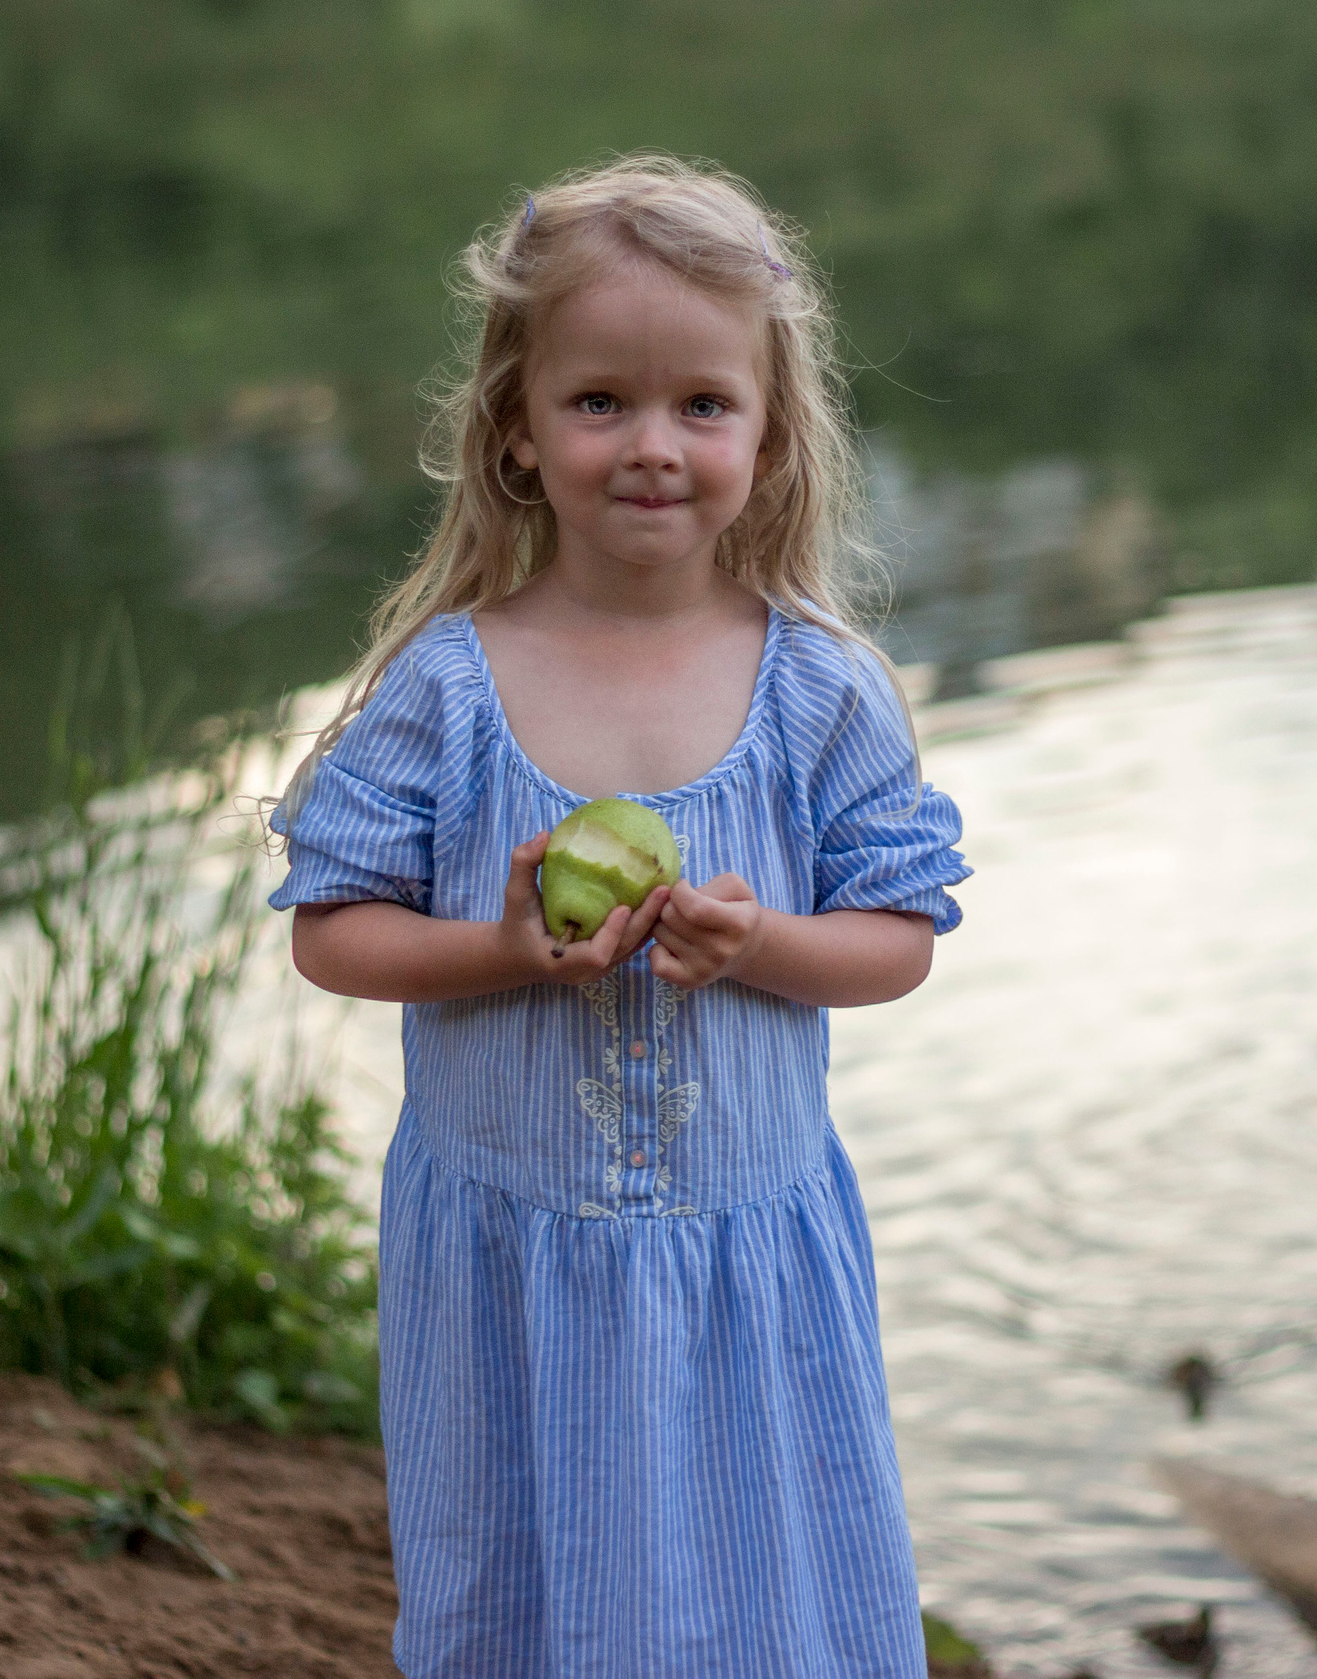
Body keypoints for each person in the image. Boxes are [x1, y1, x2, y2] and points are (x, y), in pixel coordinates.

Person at [268, 154, 970, 1678]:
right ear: (517, 430)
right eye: (600, 402)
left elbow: (898, 939)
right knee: (530, 1610)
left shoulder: (819, 690)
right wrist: (505, 951)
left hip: (746, 1265)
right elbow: (333, 928)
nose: (653, 447)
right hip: (515, 1274)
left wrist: (762, 945)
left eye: (701, 406)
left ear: (770, 435)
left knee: (767, 1611)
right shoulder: (451, 688)